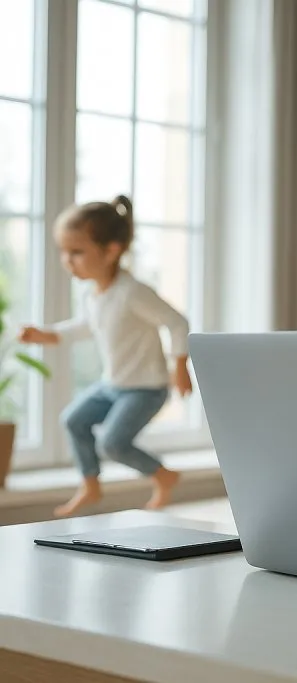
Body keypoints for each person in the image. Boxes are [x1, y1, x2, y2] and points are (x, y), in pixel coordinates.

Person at [19, 195, 191, 517]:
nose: (67, 260)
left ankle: (163, 475)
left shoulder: (133, 292)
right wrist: (47, 334)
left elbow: (177, 322)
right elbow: (87, 327)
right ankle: (91, 485)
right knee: (73, 419)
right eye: (63, 252)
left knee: (112, 444)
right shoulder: (93, 293)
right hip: (113, 385)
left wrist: (180, 365)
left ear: (111, 250)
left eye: (77, 252)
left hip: (145, 388)